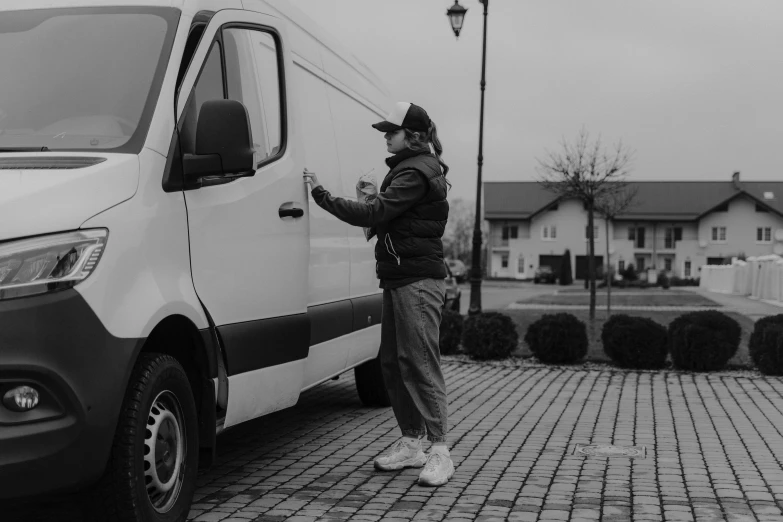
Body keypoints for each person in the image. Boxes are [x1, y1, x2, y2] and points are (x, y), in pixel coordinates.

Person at [303, 102, 453, 486]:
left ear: (413, 136)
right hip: (398, 277)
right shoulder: (407, 170)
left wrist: (321, 193)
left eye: (392, 131)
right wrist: (371, 198)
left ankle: (439, 450)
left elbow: (373, 216)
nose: (386, 136)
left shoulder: (416, 172)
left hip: (418, 281)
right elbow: (384, 220)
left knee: (419, 362)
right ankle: (411, 442)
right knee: (392, 362)